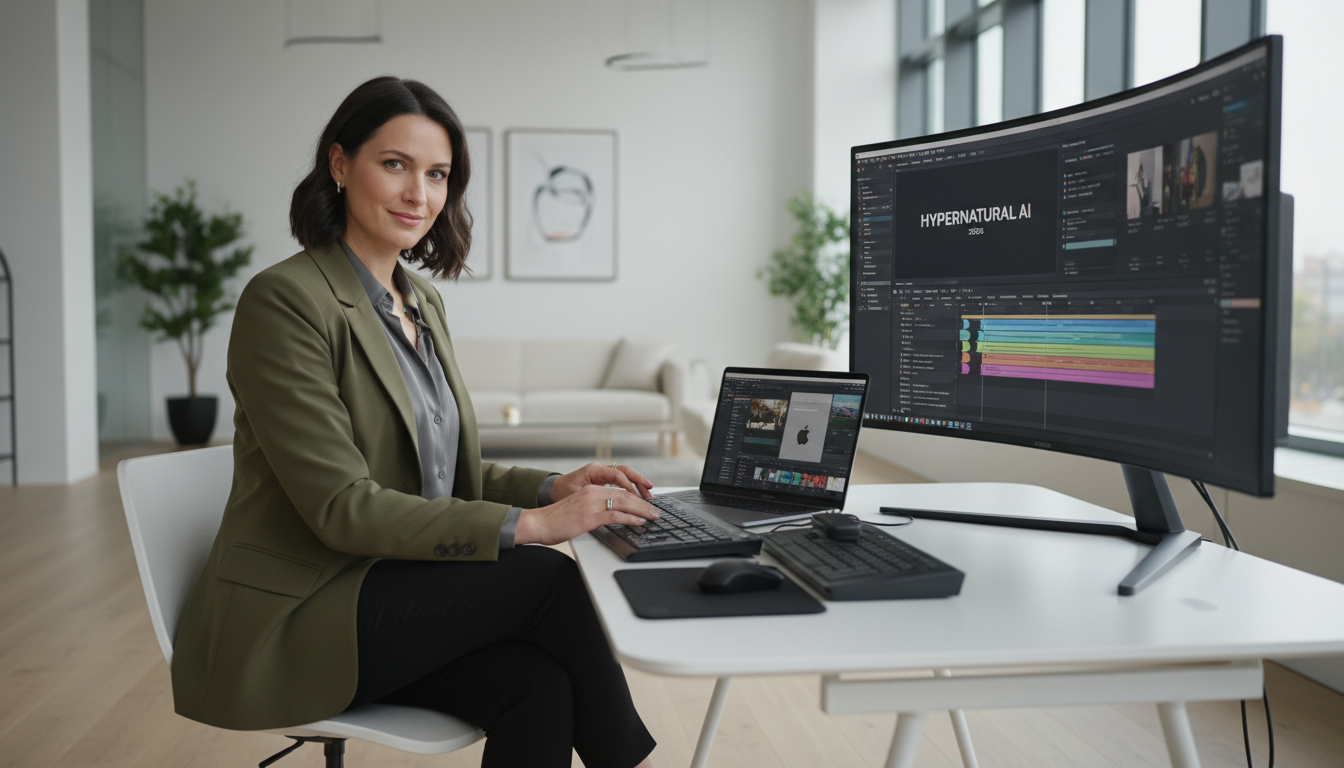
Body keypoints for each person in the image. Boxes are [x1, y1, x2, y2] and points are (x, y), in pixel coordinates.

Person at [170, 76, 659, 768]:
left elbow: (450, 476)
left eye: (438, 175)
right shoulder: (283, 302)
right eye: (394, 165)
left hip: (396, 588)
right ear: (340, 165)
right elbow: (343, 507)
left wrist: (553, 489)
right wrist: (536, 528)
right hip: (308, 613)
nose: (418, 194)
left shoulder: (421, 300)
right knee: (546, 578)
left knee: (538, 687)